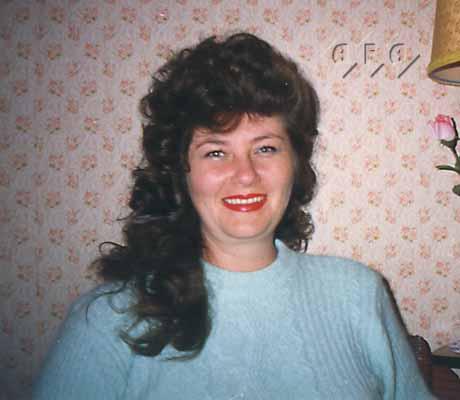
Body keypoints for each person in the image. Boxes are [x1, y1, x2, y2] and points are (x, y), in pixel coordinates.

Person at [33, 33, 434, 399]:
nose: (245, 174)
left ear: (295, 163)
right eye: (216, 152)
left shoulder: (359, 295)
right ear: (180, 172)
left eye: (266, 148)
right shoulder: (108, 320)